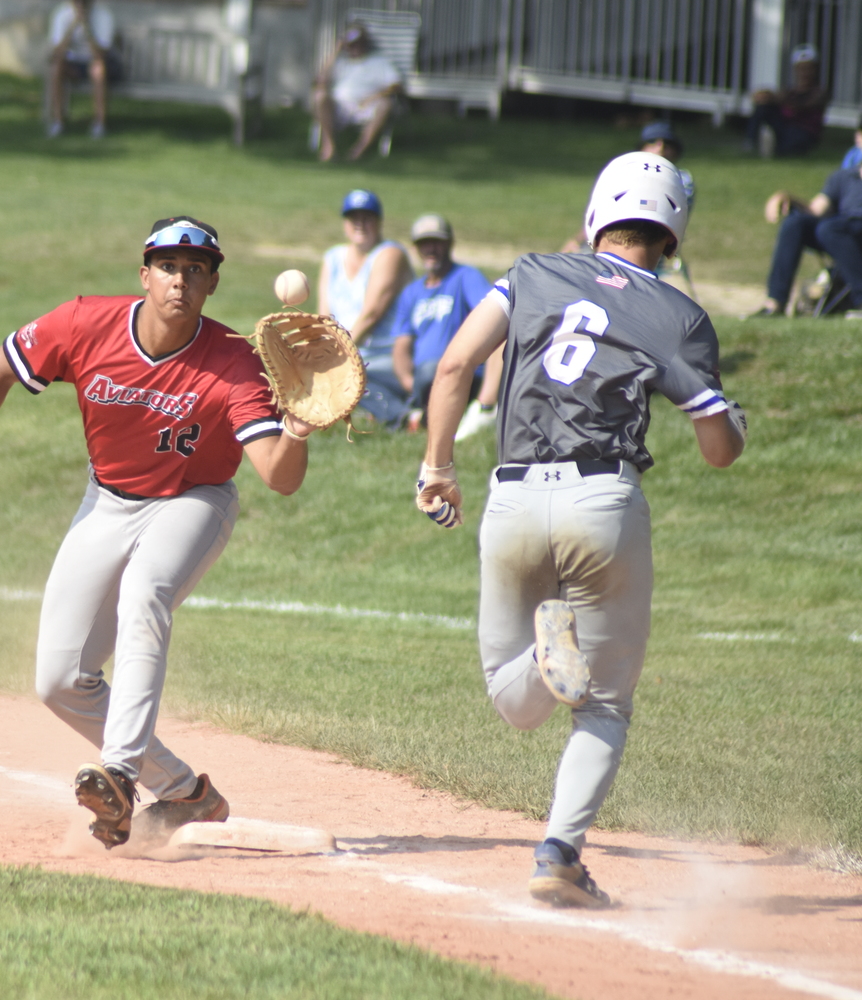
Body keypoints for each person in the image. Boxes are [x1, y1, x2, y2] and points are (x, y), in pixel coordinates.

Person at [414, 152, 745, 908]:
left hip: (514, 499)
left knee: (514, 700)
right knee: (603, 705)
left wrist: (437, 468)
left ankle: (544, 653)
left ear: (598, 215)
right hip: (604, 501)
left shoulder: (534, 272)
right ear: (673, 235)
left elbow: (455, 365)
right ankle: (558, 854)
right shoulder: (679, 314)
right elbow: (718, 450)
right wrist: (736, 426)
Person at [0, 217, 313, 849]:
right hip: (106, 501)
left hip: (194, 500)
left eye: (194, 270)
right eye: (166, 266)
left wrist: (296, 426)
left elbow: (279, 477)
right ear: (144, 274)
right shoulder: (83, 324)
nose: (178, 280)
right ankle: (187, 795)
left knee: (145, 593)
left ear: (211, 283)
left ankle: (123, 776)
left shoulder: (235, 361)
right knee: (58, 680)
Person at [750, 107, 862, 319]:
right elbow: (815, 209)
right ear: (858, 138)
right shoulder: (842, 177)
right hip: (840, 231)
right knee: (796, 223)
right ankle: (775, 303)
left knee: (830, 227)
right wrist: (785, 197)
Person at [317, 189, 412, 427]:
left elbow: (371, 315)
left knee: (344, 380)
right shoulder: (333, 258)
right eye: (353, 218)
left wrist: (337, 358)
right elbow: (323, 317)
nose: (360, 224)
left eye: (367, 217)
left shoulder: (390, 254)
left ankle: (403, 417)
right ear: (345, 223)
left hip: (386, 355)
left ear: (379, 222)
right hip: (347, 352)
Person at [389, 214, 491, 431]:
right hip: (420, 378)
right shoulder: (411, 293)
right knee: (363, 375)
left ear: (449, 244)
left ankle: (409, 415)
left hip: (461, 373)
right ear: (416, 248)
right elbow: (401, 347)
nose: (431, 250)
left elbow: (491, 313)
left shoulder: (466, 277)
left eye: (437, 242)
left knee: (429, 372)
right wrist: (408, 381)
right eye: (424, 244)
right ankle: (410, 415)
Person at [562, 121, 695, 254]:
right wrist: (576, 240)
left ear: (675, 150)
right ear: (642, 148)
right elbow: (604, 212)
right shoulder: (626, 173)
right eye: (653, 142)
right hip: (611, 240)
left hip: (650, 248)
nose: (660, 148)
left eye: (667, 144)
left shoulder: (682, 179)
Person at [311, 25, 403, 163]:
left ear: (365, 43)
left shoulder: (379, 61)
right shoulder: (340, 62)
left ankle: (359, 150)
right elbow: (319, 81)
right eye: (351, 45)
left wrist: (372, 97)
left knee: (386, 104)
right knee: (319, 96)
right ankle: (329, 146)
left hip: (366, 106)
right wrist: (335, 52)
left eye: (358, 44)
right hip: (339, 107)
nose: (354, 48)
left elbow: (396, 86)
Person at [47, 0, 117, 140]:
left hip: (97, 63)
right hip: (73, 63)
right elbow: (57, 52)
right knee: (56, 67)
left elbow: (100, 54)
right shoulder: (62, 15)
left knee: (98, 69)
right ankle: (58, 121)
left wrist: (86, 25)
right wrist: (73, 26)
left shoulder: (103, 16)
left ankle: (99, 123)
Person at [745, 45, 828, 158]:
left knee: (785, 152)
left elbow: (802, 106)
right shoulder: (790, 92)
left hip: (804, 131)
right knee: (763, 107)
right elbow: (762, 96)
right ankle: (750, 143)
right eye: (801, 68)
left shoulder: (819, 93)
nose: (805, 73)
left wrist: (778, 99)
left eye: (808, 68)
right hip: (785, 128)